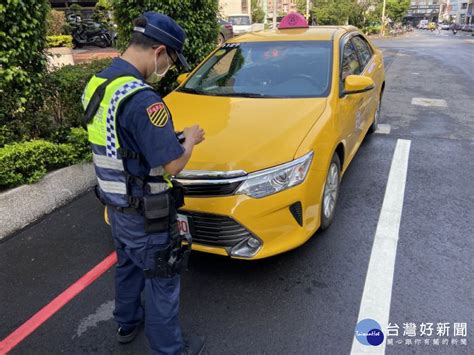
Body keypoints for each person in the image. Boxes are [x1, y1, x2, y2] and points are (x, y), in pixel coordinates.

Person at [81, 12, 205, 355]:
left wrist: (163, 139)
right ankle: (170, 350)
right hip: (146, 214)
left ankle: (127, 322)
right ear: (159, 51)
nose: (166, 66)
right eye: (169, 59)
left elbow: (120, 142)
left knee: (128, 266)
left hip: (115, 204)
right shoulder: (143, 99)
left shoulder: (100, 84)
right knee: (163, 277)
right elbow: (173, 164)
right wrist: (190, 139)